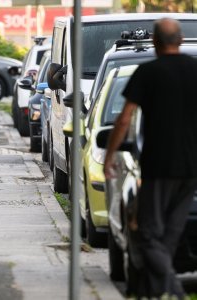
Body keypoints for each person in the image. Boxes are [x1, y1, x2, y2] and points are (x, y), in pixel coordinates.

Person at [103, 18, 197, 299]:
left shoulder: (148, 72)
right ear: (179, 41)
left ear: (155, 43)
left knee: (147, 234)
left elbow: (124, 120)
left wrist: (109, 156)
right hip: (192, 168)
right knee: (170, 233)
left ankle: (174, 290)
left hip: (159, 166)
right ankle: (156, 291)